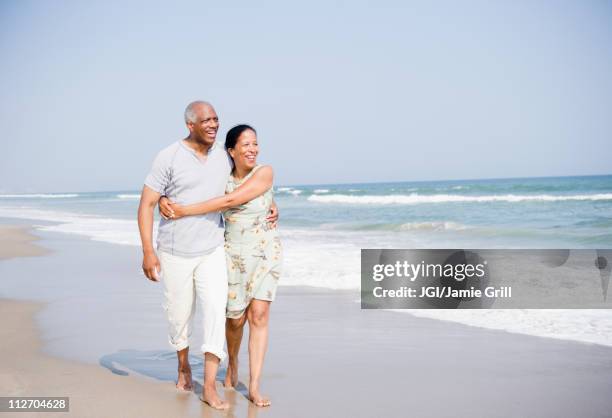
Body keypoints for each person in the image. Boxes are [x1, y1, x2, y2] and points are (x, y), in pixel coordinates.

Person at [137, 102, 278, 410]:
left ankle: (212, 386)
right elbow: (147, 202)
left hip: (217, 249)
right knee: (180, 315)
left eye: (216, 119)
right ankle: (185, 366)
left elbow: (238, 192)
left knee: (217, 312)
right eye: (206, 120)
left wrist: (272, 203)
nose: (213, 125)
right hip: (179, 250)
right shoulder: (171, 157)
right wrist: (149, 248)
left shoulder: (227, 159)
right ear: (190, 125)